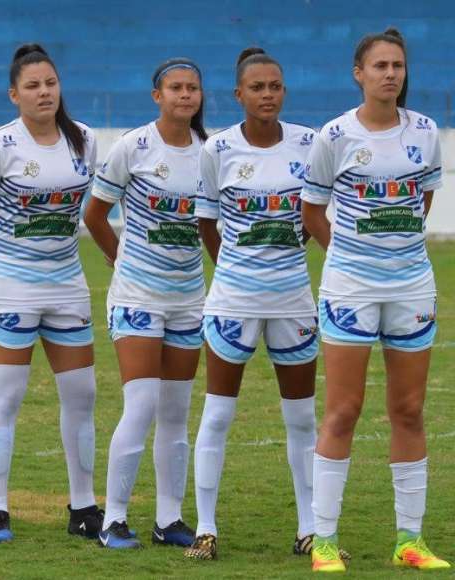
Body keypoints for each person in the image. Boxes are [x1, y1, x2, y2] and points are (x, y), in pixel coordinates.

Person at [302, 28, 449, 572]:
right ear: (358, 74)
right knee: (344, 410)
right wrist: (349, 257)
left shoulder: (426, 132)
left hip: (411, 286)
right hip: (350, 289)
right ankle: (322, 542)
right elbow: (313, 210)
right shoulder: (335, 136)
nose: (391, 74)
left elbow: (422, 198)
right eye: (380, 66)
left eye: (398, 66)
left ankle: (409, 541)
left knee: (408, 410)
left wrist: (395, 250)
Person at [184, 48, 323, 561]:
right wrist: (238, 270)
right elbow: (206, 223)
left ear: (284, 91)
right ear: (239, 95)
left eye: (275, 86)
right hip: (232, 300)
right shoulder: (217, 149)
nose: (268, 95)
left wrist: (282, 259)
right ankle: (206, 528)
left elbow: (314, 214)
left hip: (292, 300)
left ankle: (310, 528)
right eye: (258, 88)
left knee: (302, 420)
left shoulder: (311, 144)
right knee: (218, 415)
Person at [0, 43, 100, 544]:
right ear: (14, 94)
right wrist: (2, 252)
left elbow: (85, 210)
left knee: (81, 395)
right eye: (33, 86)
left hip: (67, 286)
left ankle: (83, 506)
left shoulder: (83, 139)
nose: (44, 93)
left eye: (51, 83)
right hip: (11, 287)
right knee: (8, 395)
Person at [85, 57, 206, 550]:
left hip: (189, 298)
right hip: (137, 296)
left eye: (192, 88)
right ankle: (113, 518)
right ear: (157, 96)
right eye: (175, 88)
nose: (185, 95)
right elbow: (95, 216)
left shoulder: (212, 152)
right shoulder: (132, 148)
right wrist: (120, 261)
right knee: (141, 403)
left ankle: (169, 519)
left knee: (176, 411)